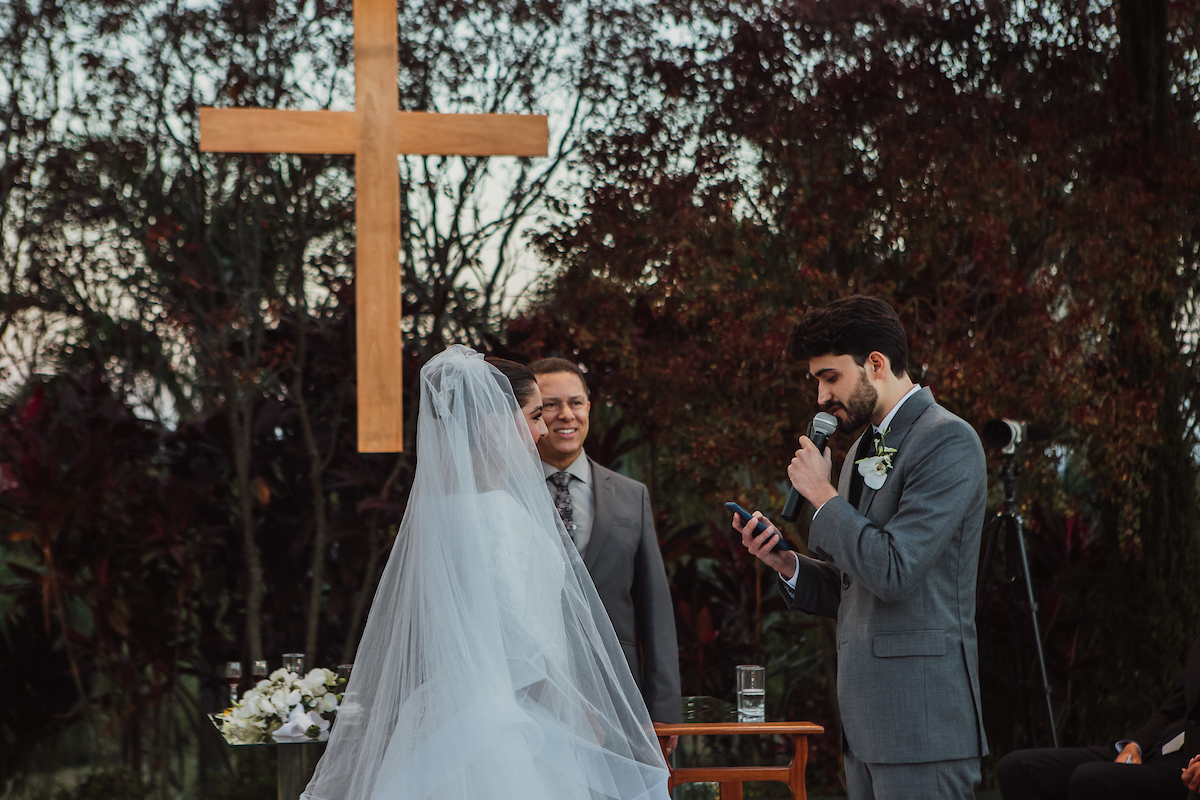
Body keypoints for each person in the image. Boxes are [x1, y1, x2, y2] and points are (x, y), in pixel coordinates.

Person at [301, 346, 670, 800]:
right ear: (497, 420)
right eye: (535, 415)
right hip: (511, 725)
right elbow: (520, 651)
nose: (543, 430)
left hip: (451, 716)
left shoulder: (448, 512)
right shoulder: (496, 516)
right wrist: (580, 714)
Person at [735, 295, 989, 800]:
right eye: (817, 382)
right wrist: (786, 563)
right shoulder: (860, 453)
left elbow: (896, 571)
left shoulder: (947, 440)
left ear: (875, 364)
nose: (822, 396)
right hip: (866, 724)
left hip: (923, 725)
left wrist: (824, 497)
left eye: (830, 377)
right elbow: (855, 584)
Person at [529, 357, 682, 737]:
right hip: (530, 703)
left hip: (618, 700)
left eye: (576, 403)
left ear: (589, 409)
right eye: (550, 405)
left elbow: (655, 610)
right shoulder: (501, 493)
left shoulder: (632, 496)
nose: (566, 415)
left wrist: (665, 713)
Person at [997, 633, 1200, 800]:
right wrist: (1135, 745)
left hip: (1187, 770)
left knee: (1089, 779)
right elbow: (1175, 708)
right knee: (1017, 768)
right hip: (1157, 750)